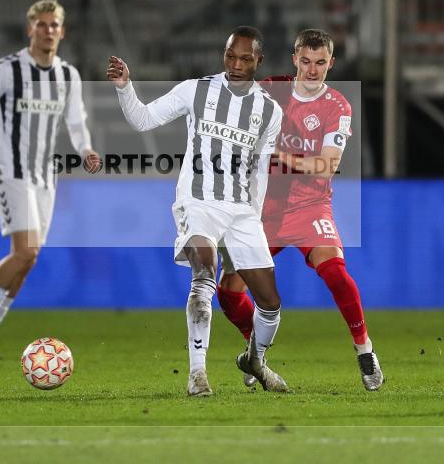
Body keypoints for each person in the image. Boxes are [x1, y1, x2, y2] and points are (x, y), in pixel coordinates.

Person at [107, 27, 288, 397]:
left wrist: (254, 221)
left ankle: (255, 359)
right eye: (230, 56)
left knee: (269, 302)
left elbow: (260, 172)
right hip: (198, 201)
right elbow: (143, 119)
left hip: (241, 211)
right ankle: (197, 376)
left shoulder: (270, 111)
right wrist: (125, 87)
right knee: (204, 273)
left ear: (259, 61)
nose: (236, 65)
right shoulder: (196, 89)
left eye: (245, 59)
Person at [217, 29, 384, 391]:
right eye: (306, 61)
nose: (312, 70)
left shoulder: (337, 105)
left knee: (336, 272)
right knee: (228, 291)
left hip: (310, 205)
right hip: (264, 209)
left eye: (320, 63)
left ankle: (364, 349)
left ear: (331, 64)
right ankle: (255, 352)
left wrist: (278, 155)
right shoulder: (271, 89)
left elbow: (327, 164)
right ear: (295, 59)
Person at [0, 0, 100, 359]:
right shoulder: (7, 69)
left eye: (54, 25)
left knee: (28, 259)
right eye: (42, 24)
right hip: (10, 171)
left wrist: (85, 150)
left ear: (62, 31)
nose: (48, 30)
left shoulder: (68, 75)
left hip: (44, 175)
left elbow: (75, 122)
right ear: (30, 29)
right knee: (26, 252)